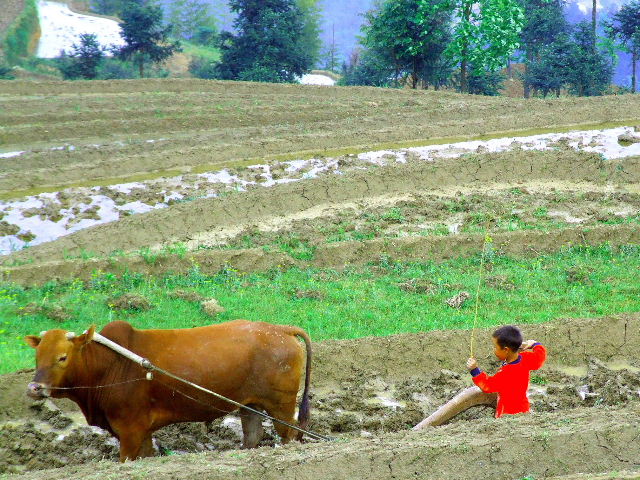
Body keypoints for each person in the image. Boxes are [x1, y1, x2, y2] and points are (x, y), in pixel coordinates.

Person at [466, 325, 547, 418]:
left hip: (508, 413)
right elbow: (540, 356)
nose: (494, 350)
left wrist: (474, 370)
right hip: (524, 410)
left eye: (495, 348)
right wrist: (534, 344)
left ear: (506, 350)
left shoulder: (506, 373)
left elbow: (488, 386)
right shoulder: (526, 358)